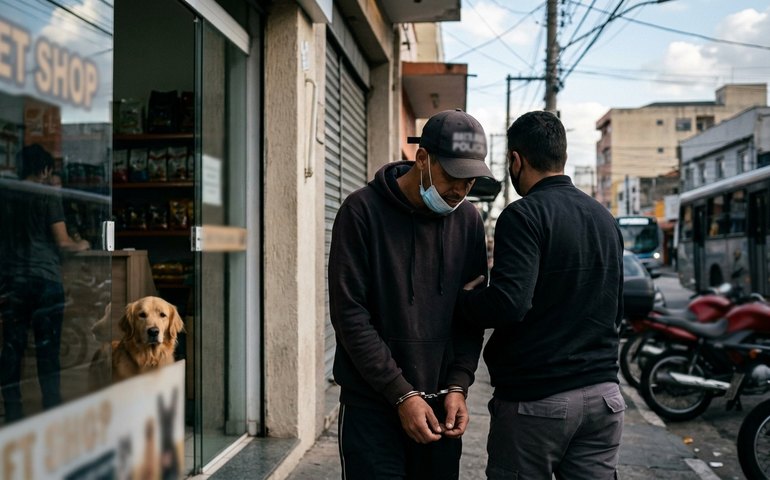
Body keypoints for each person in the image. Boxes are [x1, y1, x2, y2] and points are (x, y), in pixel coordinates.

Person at [457, 110, 625, 479]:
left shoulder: (523, 215)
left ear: (515, 160)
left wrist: (465, 302)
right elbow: (615, 307)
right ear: (561, 155)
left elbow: (510, 302)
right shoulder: (604, 219)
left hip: (538, 402)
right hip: (604, 398)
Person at [328, 109, 493, 479]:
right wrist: (400, 393)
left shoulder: (468, 221)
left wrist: (459, 384)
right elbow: (350, 314)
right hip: (371, 406)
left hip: (440, 407)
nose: (461, 190)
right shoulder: (361, 211)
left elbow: (470, 315)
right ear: (422, 158)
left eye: (470, 181)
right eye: (453, 176)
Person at [0, 144, 90, 423]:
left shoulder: (5, 194)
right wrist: (82, 244)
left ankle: (13, 412)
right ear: (45, 169)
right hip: (45, 281)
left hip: (12, 281)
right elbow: (63, 242)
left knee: (12, 349)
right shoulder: (47, 194)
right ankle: (51, 413)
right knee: (47, 351)